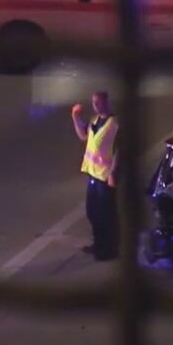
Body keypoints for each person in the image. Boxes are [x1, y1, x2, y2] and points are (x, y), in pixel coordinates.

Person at [71, 91, 119, 261]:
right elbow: (83, 135)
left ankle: (108, 249)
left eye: (99, 102)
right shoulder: (94, 120)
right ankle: (99, 244)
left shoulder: (114, 124)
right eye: (93, 103)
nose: (96, 106)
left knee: (105, 215)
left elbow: (119, 151)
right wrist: (75, 117)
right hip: (92, 173)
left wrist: (113, 173)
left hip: (105, 177)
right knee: (92, 212)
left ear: (107, 102)